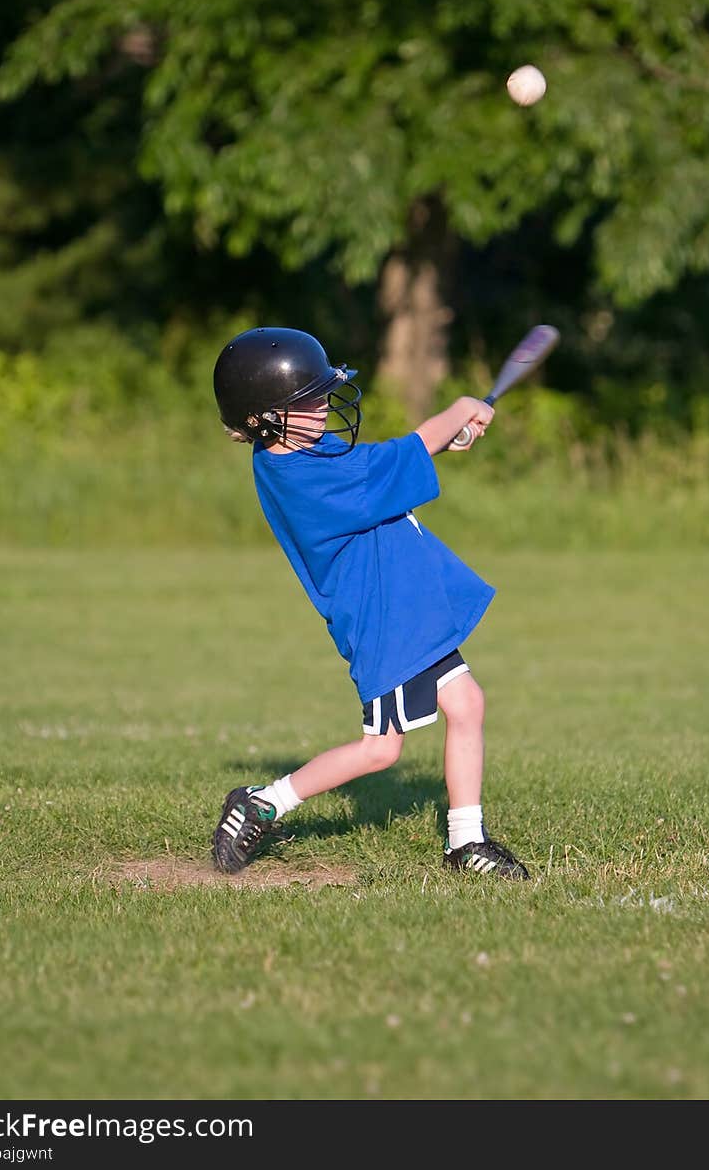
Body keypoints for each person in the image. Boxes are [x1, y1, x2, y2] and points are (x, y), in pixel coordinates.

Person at [210, 326, 530, 881]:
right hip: (386, 619)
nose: (321, 407)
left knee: (466, 705)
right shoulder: (301, 478)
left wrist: (446, 437)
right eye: (305, 401)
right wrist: (458, 409)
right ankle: (262, 803)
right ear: (265, 419)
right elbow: (403, 453)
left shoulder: (298, 452)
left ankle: (466, 842)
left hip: (404, 607)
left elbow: (392, 464)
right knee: (381, 750)